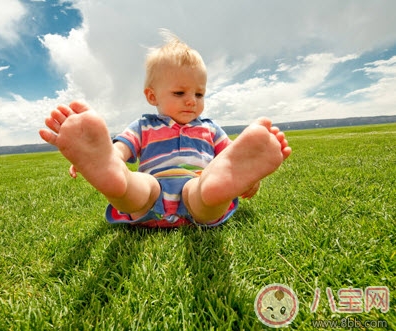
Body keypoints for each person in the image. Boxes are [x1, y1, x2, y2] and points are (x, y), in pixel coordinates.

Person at [39, 31, 291, 228]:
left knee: (204, 188)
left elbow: (235, 159)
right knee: (142, 184)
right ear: (152, 96)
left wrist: (249, 178)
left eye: (199, 93)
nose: (191, 100)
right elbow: (119, 150)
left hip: (197, 191)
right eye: (179, 93)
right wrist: (99, 159)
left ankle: (218, 189)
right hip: (152, 195)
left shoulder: (210, 129)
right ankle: (115, 178)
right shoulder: (143, 126)